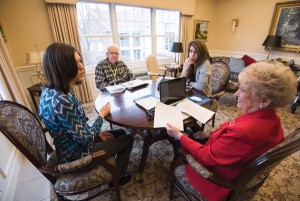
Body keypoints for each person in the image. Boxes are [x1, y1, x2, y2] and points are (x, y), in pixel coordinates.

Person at [166, 62, 297, 201]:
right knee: (195, 134)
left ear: (264, 101)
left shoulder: (244, 133)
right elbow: (232, 133)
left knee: (178, 145)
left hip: (215, 180)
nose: (236, 93)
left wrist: (178, 135)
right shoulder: (272, 118)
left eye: (243, 90)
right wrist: (208, 134)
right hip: (232, 160)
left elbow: (206, 157)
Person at [39, 42, 134, 186]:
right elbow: (87, 140)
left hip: (69, 145)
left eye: (80, 61)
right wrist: (101, 115)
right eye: (76, 62)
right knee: (128, 139)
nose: (82, 67)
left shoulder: (49, 92)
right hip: (77, 157)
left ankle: (115, 165)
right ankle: (117, 178)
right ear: (63, 66)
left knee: (120, 132)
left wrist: (98, 134)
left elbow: (77, 128)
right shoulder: (63, 101)